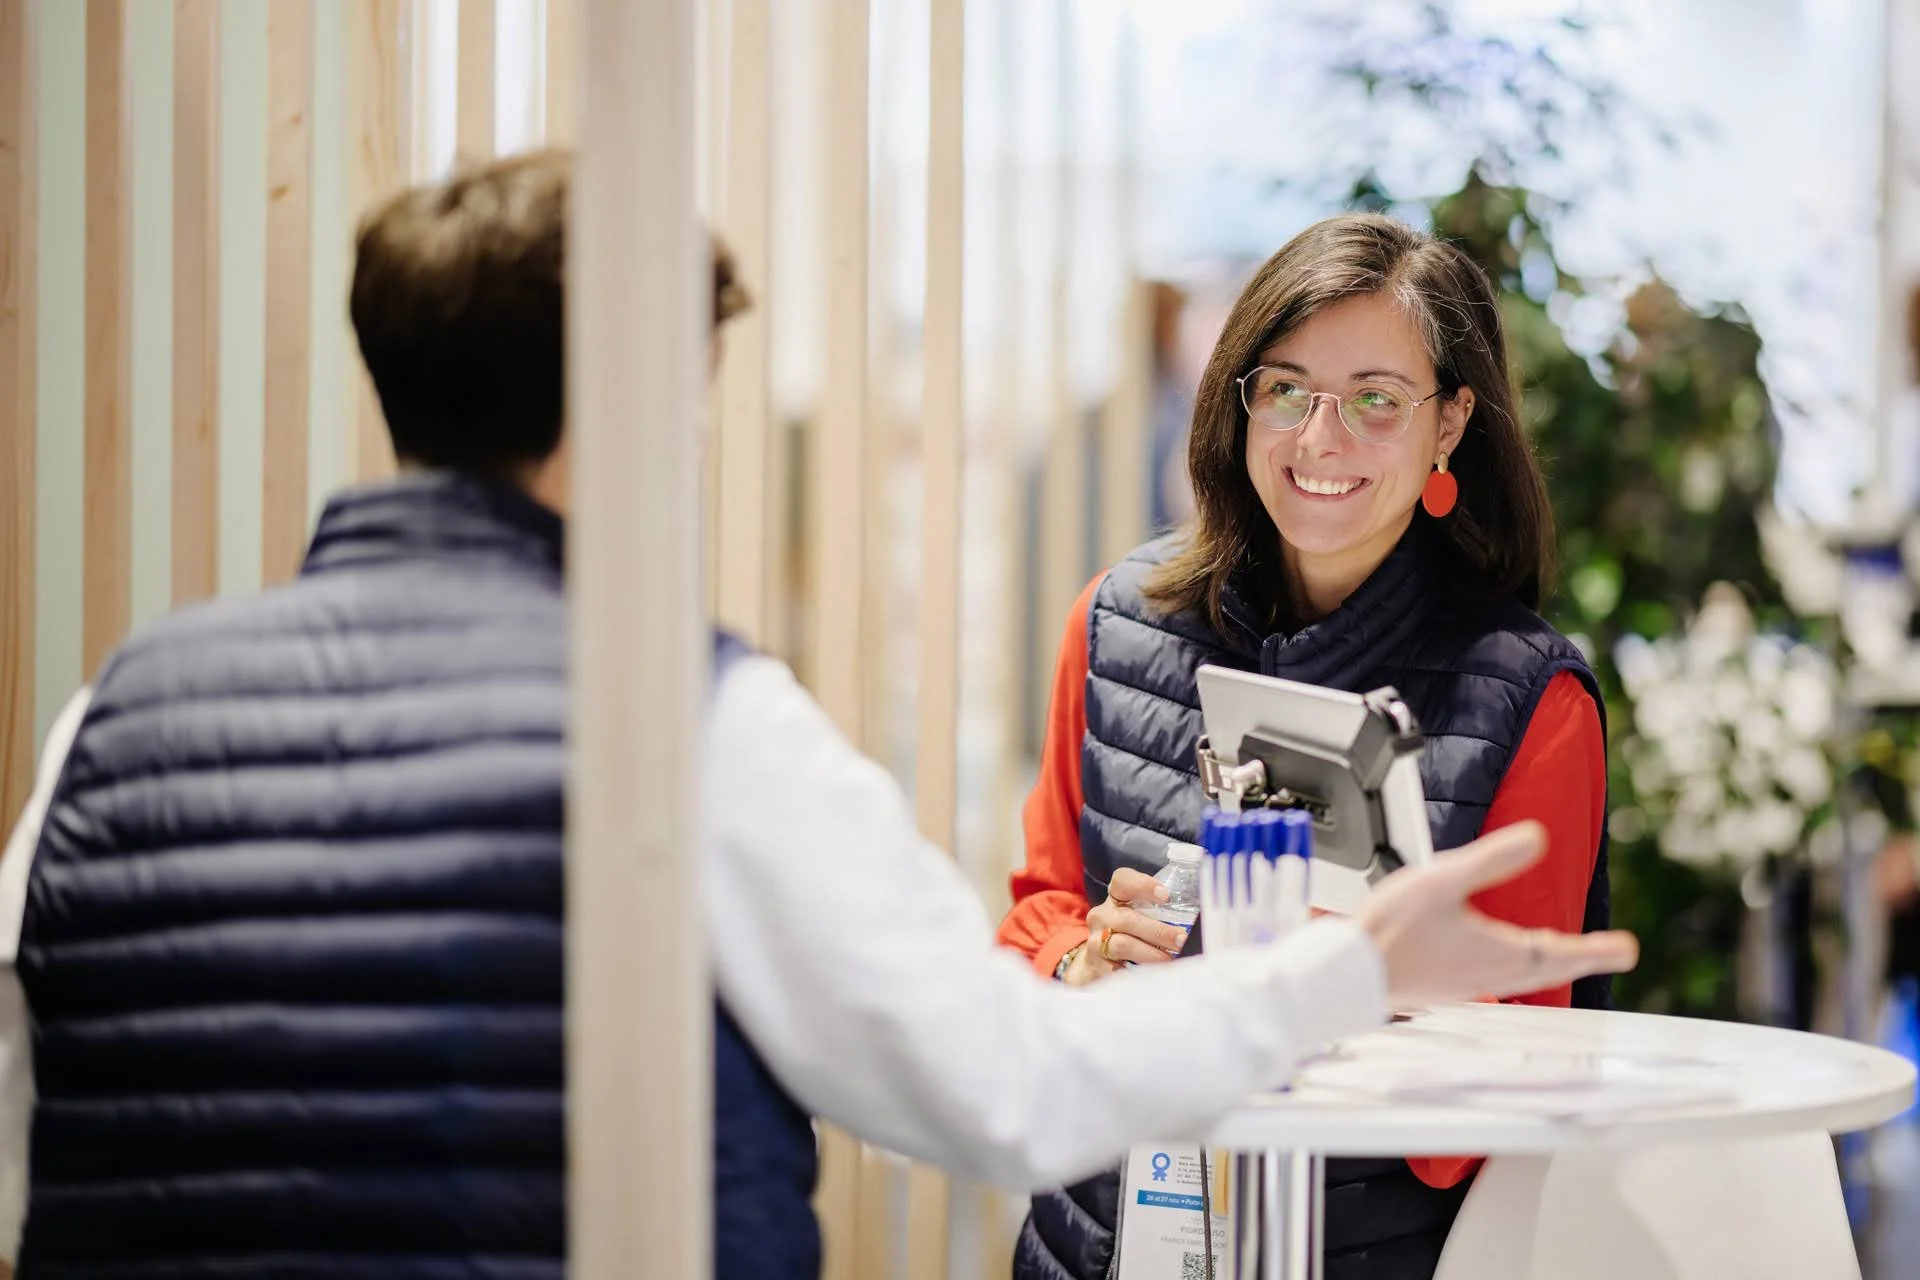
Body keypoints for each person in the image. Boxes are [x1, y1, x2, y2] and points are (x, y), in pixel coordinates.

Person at [0, 155, 1633, 1279]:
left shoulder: (114, 713)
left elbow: (27, 1136)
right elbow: (1005, 1085)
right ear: (639, 404)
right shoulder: (706, 732)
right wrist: (1343, 968)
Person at [1001, 212, 1613, 1280]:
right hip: (1098, 1239)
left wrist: (1309, 982)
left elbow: (1506, 1096)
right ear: (1236, 399)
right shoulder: (1113, 624)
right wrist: (1089, 962)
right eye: (1285, 389)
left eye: (1377, 400)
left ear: (1450, 425)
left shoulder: (1528, 698)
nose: (1321, 439)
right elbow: (1035, 914)